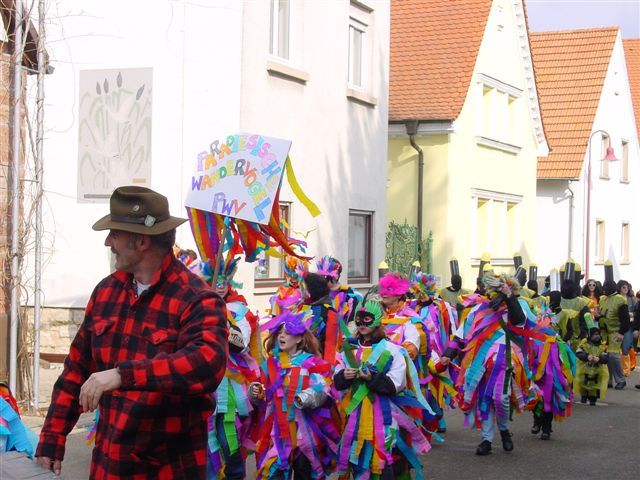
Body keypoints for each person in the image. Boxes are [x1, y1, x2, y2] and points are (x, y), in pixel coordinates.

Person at [35, 186, 229, 479]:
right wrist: (53, 437)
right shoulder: (106, 292)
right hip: (108, 465)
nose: (108, 242)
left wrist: (122, 375)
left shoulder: (196, 298)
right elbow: (76, 369)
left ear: (141, 241)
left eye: (115, 233)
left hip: (167, 469)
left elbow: (206, 364)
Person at [334, 300, 432, 479]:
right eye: (359, 319)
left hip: (384, 416)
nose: (362, 324)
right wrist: (343, 376)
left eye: (367, 319)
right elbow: (337, 378)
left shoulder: (393, 350)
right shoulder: (348, 349)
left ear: (378, 320)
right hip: (354, 415)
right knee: (357, 454)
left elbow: (396, 383)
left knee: (382, 455)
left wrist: (372, 378)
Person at [441, 273, 533, 456]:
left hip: (505, 360)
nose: (493, 293)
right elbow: (461, 334)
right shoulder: (478, 310)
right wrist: (448, 354)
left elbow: (520, 321)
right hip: (480, 362)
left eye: (499, 289)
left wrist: (508, 295)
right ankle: (487, 439)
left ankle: (505, 430)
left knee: (501, 398)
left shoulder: (518, 305)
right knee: (484, 399)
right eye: (491, 290)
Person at [193, 255, 261, 480]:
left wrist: (221, 321)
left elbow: (240, 345)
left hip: (228, 388)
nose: (219, 286)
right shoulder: (196, 305)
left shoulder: (239, 310)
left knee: (228, 441)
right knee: (202, 444)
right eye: (215, 280)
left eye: (223, 280)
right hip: (201, 383)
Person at [250, 311, 339, 479]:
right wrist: (255, 391)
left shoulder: (312, 362)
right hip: (277, 433)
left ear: (299, 339)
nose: (281, 337)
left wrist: (307, 397)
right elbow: (263, 392)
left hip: (305, 433)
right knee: (274, 472)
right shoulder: (271, 363)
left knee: (304, 473)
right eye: (280, 333)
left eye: (287, 333)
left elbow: (324, 387)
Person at [315, 255, 363, 329]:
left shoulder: (349, 294)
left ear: (335, 277)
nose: (321, 281)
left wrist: (347, 337)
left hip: (342, 335)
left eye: (324, 277)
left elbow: (352, 320)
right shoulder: (318, 293)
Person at [599, 280, 631, 389]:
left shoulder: (620, 300)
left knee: (613, 355)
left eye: (606, 287)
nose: (604, 289)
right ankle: (608, 380)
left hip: (615, 332)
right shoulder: (603, 299)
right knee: (606, 356)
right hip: (604, 333)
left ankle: (621, 380)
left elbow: (625, 319)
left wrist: (621, 333)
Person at [574, 328, 609, 405]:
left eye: (598, 334)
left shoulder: (602, 346)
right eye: (595, 334)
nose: (597, 336)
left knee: (595, 384)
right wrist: (587, 357)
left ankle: (593, 398)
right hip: (584, 369)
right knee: (583, 382)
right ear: (590, 335)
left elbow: (606, 357)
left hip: (597, 370)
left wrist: (599, 359)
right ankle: (584, 396)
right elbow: (579, 353)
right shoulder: (584, 345)